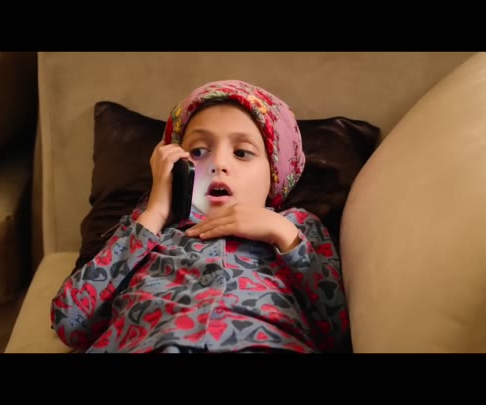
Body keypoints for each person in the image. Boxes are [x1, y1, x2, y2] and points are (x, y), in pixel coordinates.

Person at [50, 79, 350, 353]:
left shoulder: (295, 228)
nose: (218, 163)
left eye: (242, 153)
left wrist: (284, 236)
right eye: (198, 151)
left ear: (274, 174)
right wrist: (155, 212)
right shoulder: (147, 230)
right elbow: (70, 321)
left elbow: (336, 330)